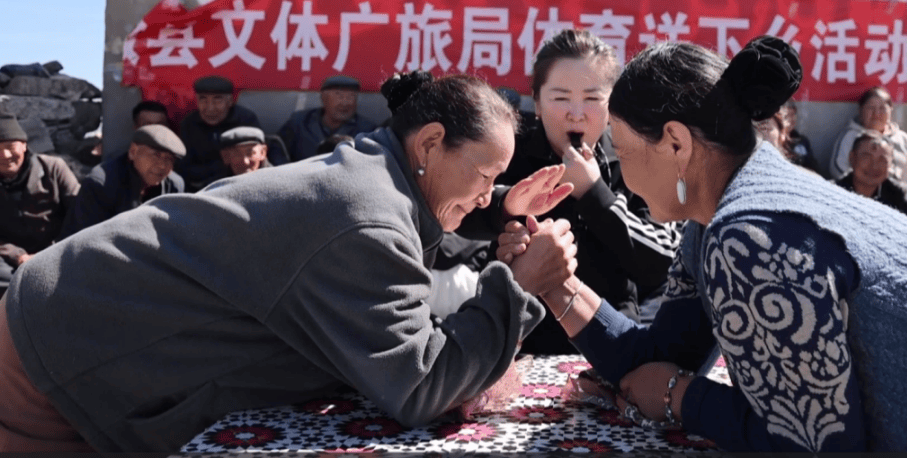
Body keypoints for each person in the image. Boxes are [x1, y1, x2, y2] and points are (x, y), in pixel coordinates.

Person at [499, 37, 907, 452]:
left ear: (675, 143)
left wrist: (682, 399)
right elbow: (658, 353)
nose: (618, 167)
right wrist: (557, 283)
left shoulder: (750, 233)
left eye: (622, 145)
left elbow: (817, 445)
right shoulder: (720, 213)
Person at [0, 74, 580, 452]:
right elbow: (419, 387)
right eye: (484, 177)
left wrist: (502, 212)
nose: (486, 195)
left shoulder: (371, 176)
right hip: (51, 358)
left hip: (63, 329)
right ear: (429, 144)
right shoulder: (366, 217)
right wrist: (521, 289)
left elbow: (419, 238)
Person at [471, 29, 680, 354]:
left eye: (592, 98)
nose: (576, 111)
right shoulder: (510, 150)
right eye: (561, 97)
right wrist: (507, 209)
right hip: (516, 344)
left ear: (612, 104)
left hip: (613, 346)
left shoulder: (635, 158)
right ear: (537, 103)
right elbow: (457, 214)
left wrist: (594, 193)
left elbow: (662, 264)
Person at [0, 114, 80, 298]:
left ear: (24, 145)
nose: (4, 155)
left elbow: (79, 212)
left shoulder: (53, 168)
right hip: (9, 258)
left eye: (10, 147)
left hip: (56, 250)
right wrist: (18, 256)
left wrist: (55, 252)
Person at [58, 125, 186, 239]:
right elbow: (87, 241)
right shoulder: (101, 183)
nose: (162, 165)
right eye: (155, 155)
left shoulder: (174, 185)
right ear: (133, 152)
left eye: (169, 159)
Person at [830, 86, 907, 199]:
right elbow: (837, 167)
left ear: (891, 110)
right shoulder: (850, 136)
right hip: (860, 197)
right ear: (861, 110)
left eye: (882, 108)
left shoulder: (904, 139)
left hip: (901, 199)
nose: (877, 113)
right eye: (871, 108)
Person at [176, 76, 262, 191]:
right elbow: (184, 168)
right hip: (202, 188)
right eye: (203, 100)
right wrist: (221, 167)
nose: (210, 108)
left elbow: (256, 161)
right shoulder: (189, 124)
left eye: (217, 100)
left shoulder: (246, 120)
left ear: (230, 101)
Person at [278, 75, 377, 162]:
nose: (345, 102)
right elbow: (277, 149)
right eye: (339, 96)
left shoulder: (367, 131)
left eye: (351, 97)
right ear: (323, 98)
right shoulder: (300, 121)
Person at [834, 130, 907, 221]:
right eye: (866, 157)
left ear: (890, 165)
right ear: (852, 158)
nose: (874, 166)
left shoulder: (899, 196)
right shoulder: (835, 193)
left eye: (882, 160)